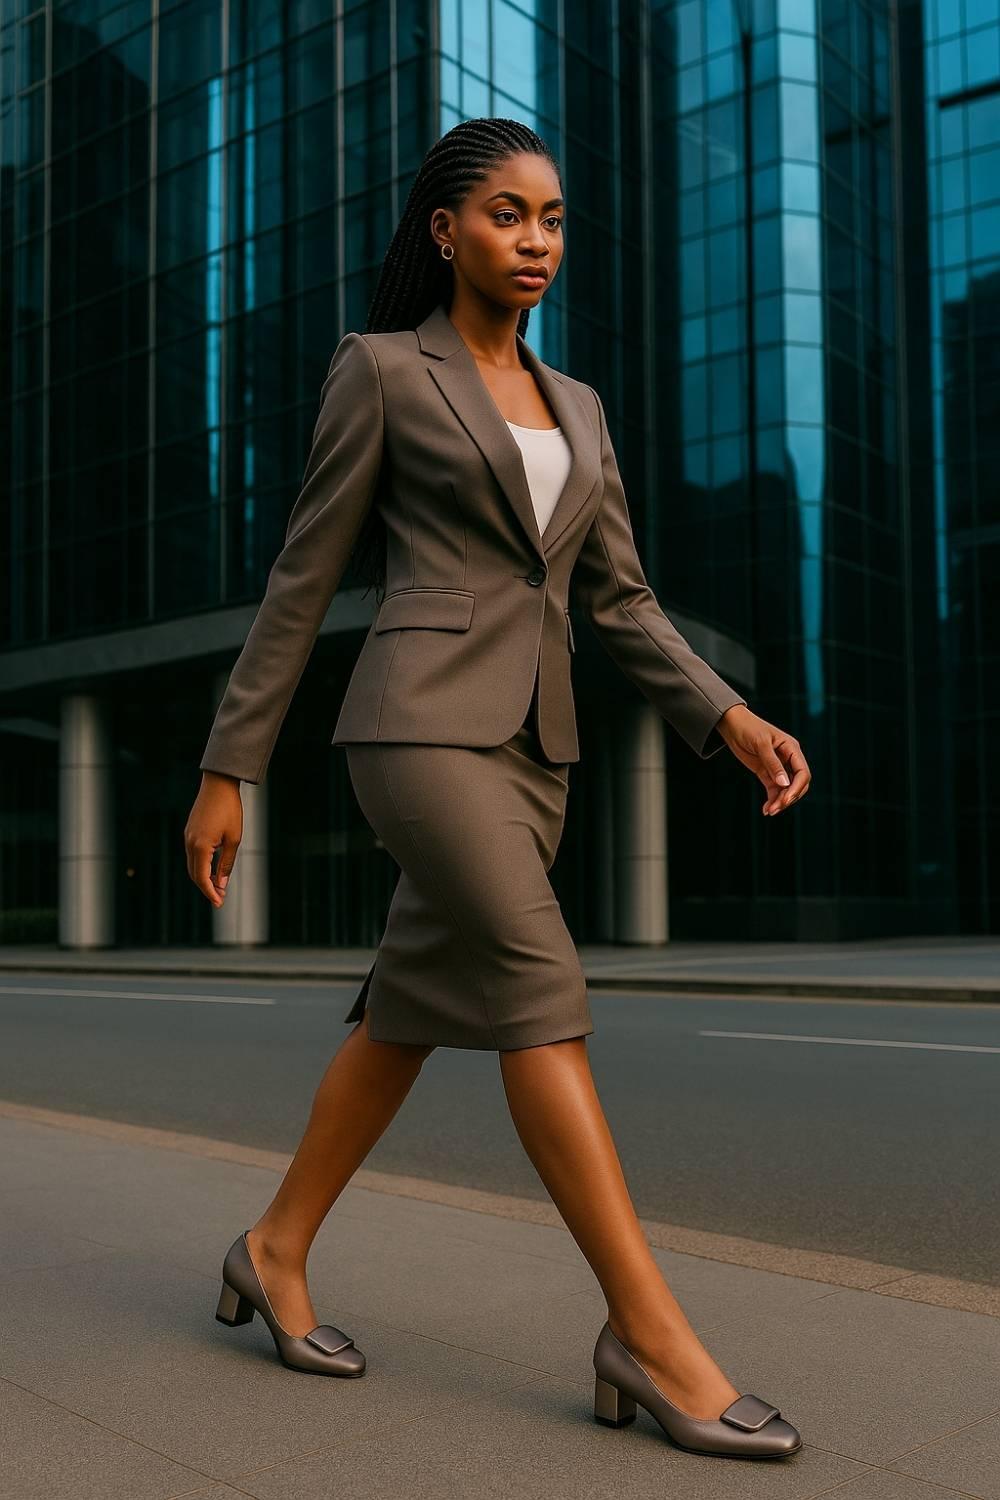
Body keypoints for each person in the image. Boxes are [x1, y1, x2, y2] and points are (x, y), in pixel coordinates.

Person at [184, 117, 810, 1460]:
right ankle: (647, 1336)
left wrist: (729, 712)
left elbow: (620, 602)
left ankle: (272, 1248)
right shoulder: (382, 372)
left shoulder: (577, 407)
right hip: (415, 729)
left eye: (555, 219)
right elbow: (303, 579)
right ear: (445, 232)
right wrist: (228, 765)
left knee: (406, 1013)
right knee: (543, 995)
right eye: (510, 216)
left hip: (538, 752)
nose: (538, 242)